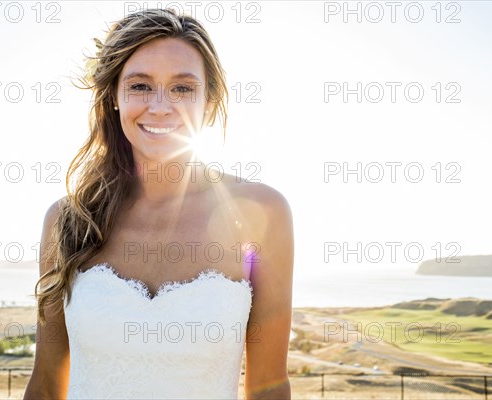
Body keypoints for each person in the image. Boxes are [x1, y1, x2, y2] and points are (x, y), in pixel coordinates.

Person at [23, 8, 294, 399]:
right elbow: (47, 382)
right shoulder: (68, 220)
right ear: (114, 98)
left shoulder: (261, 214)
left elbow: (270, 386)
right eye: (140, 86)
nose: (162, 106)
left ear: (209, 101)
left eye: (183, 88)